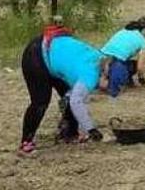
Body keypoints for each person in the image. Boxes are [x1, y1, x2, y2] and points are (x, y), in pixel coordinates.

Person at [18, 16, 129, 155]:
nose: (106, 90)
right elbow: (76, 101)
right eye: (108, 86)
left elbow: (73, 96)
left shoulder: (100, 59)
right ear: (105, 75)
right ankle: (26, 143)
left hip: (54, 53)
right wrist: (91, 130)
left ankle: (69, 133)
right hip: (37, 54)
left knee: (67, 95)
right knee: (40, 102)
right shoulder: (90, 76)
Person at [101, 15, 145, 94]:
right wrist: (141, 78)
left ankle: (107, 78)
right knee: (113, 89)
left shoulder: (123, 31)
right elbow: (139, 68)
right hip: (116, 63)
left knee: (128, 65)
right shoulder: (143, 42)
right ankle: (112, 81)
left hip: (100, 58)